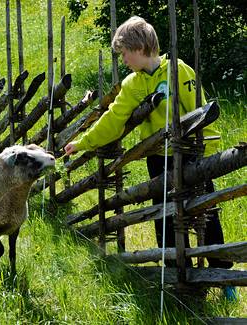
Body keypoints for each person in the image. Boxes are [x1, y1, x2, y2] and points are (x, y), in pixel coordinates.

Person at [64, 16, 234, 274]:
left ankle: (222, 271)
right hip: (158, 157)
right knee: (164, 216)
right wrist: (83, 143)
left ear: (140, 49)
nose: (123, 60)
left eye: (124, 54)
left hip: (192, 153)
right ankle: (178, 271)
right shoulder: (132, 83)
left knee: (204, 212)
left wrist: (207, 156)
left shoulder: (180, 70)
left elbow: (201, 111)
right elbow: (114, 118)